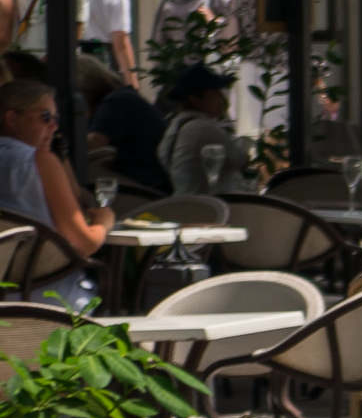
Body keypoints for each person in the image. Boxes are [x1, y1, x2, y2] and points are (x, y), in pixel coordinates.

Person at [0, 76, 113, 302]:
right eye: (45, 117)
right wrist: (105, 220)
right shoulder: (39, 160)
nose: (54, 126)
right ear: (12, 118)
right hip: (54, 301)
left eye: (55, 118)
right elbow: (85, 243)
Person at [160, 63, 256, 196]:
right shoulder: (202, 128)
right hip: (206, 209)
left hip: (182, 204)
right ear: (195, 99)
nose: (222, 98)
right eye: (214, 93)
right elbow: (240, 162)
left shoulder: (175, 127)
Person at [78, 54, 165, 193]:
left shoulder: (117, 102)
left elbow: (88, 149)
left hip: (144, 190)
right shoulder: (121, 97)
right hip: (138, 186)